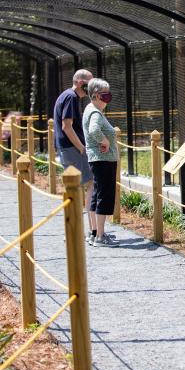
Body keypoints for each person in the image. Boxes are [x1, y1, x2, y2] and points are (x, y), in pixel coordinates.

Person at [53, 69, 95, 240]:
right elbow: (67, 126)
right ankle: (88, 229)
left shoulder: (67, 96)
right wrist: (81, 147)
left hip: (67, 148)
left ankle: (76, 228)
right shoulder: (70, 97)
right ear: (79, 82)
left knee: (75, 187)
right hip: (72, 149)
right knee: (90, 183)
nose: (91, 88)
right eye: (88, 84)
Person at [82, 78, 119, 247]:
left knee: (97, 195)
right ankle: (100, 237)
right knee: (104, 196)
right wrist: (105, 141)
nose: (107, 100)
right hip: (102, 160)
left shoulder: (90, 109)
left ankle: (95, 232)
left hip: (97, 159)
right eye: (105, 96)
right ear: (96, 96)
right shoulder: (95, 113)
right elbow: (94, 130)